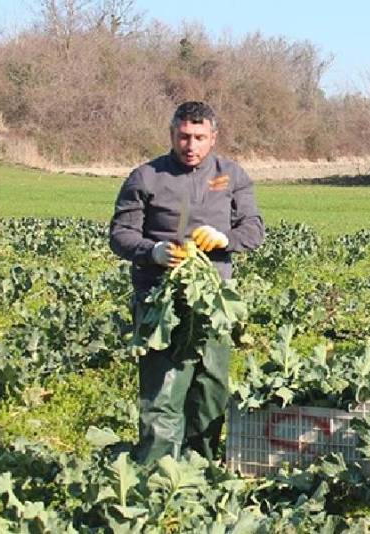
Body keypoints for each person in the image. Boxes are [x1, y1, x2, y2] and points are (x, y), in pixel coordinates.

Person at [109, 101, 265, 463]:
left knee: (209, 391)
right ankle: (156, 473)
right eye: (183, 136)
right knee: (163, 391)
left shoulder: (232, 175)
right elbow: (120, 235)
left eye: (199, 137)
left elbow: (254, 230)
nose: (190, 146)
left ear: (213, 138)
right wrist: (154, 251)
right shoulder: (146, 177)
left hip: (213, 302)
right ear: (172, 135)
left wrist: (225, 238)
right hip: (159, 301)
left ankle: (202, 470)